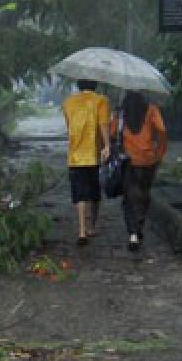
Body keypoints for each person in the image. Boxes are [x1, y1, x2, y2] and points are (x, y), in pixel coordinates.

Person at [109, 91, 168, 252]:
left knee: (129, 196)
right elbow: (162, 130)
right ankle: (139, 226)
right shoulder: (151, 110)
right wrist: (159, 151)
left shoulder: (121, 112)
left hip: (128, 160)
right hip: (149, 160)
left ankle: (133, 234)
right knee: (143, 194)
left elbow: (112, 133)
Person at [61, 80, 111, 244]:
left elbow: (69, 128)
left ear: (78, 85)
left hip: (75, 156)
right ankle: (91, 226)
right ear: (95, 85)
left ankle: (81, 230)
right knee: (94, 192)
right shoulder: (101, 101)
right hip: (93, 155)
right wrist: (107, 146)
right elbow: (103, 125)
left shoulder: (68, 102)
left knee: (79, 193)